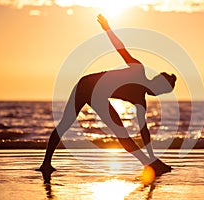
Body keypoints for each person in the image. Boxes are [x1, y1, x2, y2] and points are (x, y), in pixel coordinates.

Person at [37, 14, 177, 183]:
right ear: (156, 81)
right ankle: (46, 163)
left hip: (89, 88)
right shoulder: (137, 70)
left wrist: (154, 156)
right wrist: (107, 28)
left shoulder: (140, 100)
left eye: (164, 92)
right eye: (162, 88)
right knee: (70, 123)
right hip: (87, 86)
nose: (160, 93)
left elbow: (143, 131)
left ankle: (150, 163)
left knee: (119, 134)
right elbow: (121, 49)